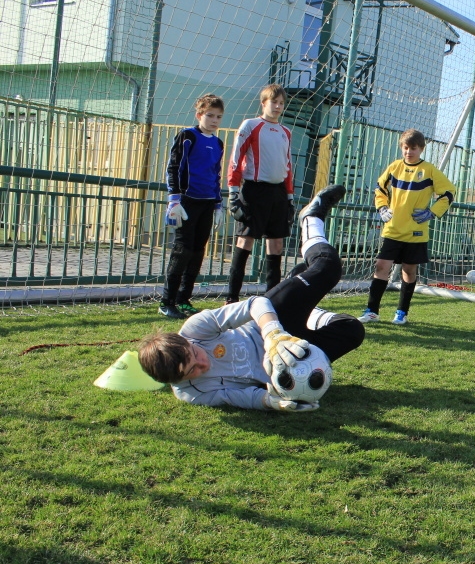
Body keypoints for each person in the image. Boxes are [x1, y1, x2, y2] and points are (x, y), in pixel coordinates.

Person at [138, 184, 365, 411]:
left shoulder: (195, 329)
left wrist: (273, 335)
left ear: (188, 343)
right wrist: (271, 402)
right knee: (352, 329)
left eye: (195, 354)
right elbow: (238, 396)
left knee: (328, 267)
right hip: (288, 361)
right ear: (175, 382)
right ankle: (306, 303)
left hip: (272, 321)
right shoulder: (191, 393)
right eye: (192, 371)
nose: (203, 364)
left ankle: (311, 219)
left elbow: (255, 303)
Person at [358, 129, 456, 325]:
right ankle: (372, 311)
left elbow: (449, 192)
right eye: (406, 147)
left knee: (409, 271)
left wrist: (432, 212)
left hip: (416, 233)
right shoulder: (394, 167)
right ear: (401, 147)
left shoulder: (429, 170)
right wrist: (382, 207)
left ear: (421, 149)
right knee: (381, 266)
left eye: (413, 148)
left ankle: (402, 312)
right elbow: (380, 188)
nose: (409, 152)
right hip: (393, 229)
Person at [225, 84, 296, 304]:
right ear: (263, 103)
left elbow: (288, 166)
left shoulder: (286, 132)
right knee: (245, 242)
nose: (278, 106)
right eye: (274, 102)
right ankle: (231, 298)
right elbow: (235, 159)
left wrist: (290, 197)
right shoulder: (251, 125)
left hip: (278, 193)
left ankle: (271, 299)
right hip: (254, 191)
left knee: (276, 245)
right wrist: (233, 193)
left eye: (281, 103)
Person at [159, 94, 226, 319]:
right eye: (210, 115)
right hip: (187, 201)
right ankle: (166, 301)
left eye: (218, 116)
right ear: (199, 115)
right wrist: (174, 200)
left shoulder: (218, 143)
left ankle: (183, 299)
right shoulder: (188, 136)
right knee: (182, 250)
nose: (214, 120)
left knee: (198, 252)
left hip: (207, 202)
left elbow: (216, 174)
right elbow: (174, 166)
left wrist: (218, 205)